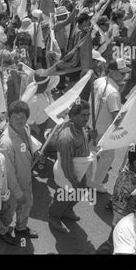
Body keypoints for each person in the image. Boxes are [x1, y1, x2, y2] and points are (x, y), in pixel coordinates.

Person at [0, 100, 42, 239]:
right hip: (13, 187)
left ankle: (21, 228)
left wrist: (35, 154)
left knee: (26, 205)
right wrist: (17, 193)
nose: (19, 121)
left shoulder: (25, 129)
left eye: (22, 117)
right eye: (15, 117)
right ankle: (1, 231)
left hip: (26, 180)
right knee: (8, 211)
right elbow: (8, 173)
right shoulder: (6, 142)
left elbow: (27, 148)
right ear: (9, 117)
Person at [48, 100, 94, 233]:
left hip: (81, 170)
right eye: (83, 115)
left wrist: (91, 136)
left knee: (79, 193)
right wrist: (74, 181)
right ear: (73, 116)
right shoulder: (66, 137)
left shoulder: (81, 127)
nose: (86, 118)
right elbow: (66, 164)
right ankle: (54, 215)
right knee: (63, 196)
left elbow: (84, 144)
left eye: (88, 115)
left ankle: (67, 210)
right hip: (68, 174)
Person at [89, 59, 131, 192]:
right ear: (111, 72)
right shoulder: (113, 92)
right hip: (104, 130)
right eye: (121, 73)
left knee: (91, 152)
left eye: (125, 73)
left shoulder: (99, 81)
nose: (125, 76)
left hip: (92, 123)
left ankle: (86, 175)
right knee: (108, 157)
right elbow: (116, 118)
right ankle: (95, 183)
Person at [21, 69, 59, 142]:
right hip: (37, 129)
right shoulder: (34, 101)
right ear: (44, 85)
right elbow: (29, 123)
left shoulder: (37, 89)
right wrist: (39, 134)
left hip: (44, 124)